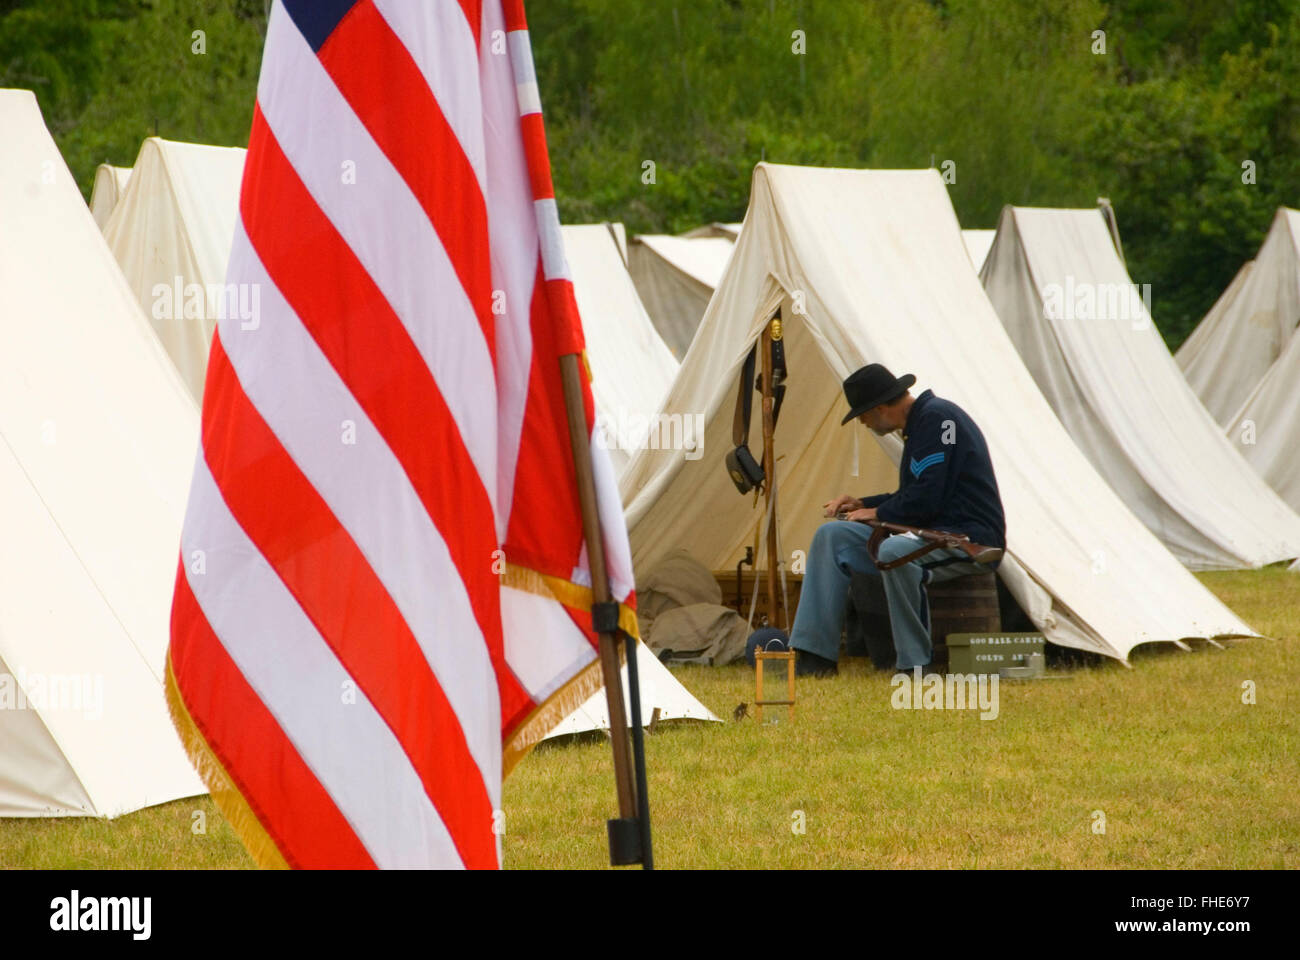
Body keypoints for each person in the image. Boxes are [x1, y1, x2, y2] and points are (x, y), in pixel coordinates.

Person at [790, 363, 1005, 677]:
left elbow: (928, 499)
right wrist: (864, 503)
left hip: (967, 538)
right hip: (930, 533)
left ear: (879, 408)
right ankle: (814, 657)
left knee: (894, 552)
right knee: (832, 537)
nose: (862, 422)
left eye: (862, 414)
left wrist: (878, 513)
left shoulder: (939, 419)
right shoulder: (921, 425)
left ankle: (914, 665)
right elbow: (916, 495)